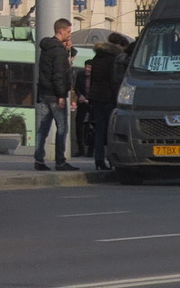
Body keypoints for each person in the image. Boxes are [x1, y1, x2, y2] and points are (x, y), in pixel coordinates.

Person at [33, 17, 79, 172]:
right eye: (68, 31)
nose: (69, 35)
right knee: (62, 128)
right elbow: (59, 74)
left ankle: (39, 159)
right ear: (61, 30)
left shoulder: (47, 48)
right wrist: (61, 95)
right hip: (55, 95)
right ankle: (60, 161)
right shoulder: (58, 52)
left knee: (43, 128)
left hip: (44, 93)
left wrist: (66, 51)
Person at [87, 39, 126, 170]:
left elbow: (92, 80)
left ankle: (99, 159)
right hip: (109, 98)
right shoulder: (113, 60)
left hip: (96, 98)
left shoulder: (96, 59)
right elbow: (113, 80)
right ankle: (111, 159)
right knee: (111, 131)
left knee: (99, 130)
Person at [73, 60, 93, 157]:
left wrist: (91, 99)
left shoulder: (95, 77)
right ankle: (80, 149)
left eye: (89, 67)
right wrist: (80, 95)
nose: (87, 69)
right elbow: (76, 87)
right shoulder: (80, 74)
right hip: (82, 102)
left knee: (93, 125)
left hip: (92, 103)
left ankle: (91, 150)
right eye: (86, 66)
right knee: (79, 124)